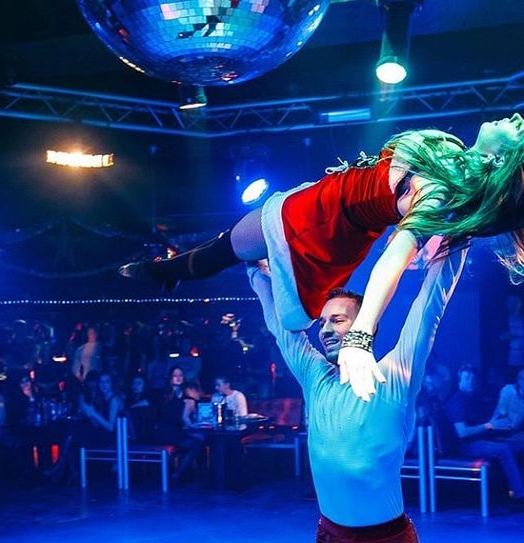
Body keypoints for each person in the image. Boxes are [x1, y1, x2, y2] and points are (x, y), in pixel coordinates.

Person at [120, 115, 524, 400]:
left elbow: (395, 257)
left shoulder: (439, 193)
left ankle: (162, 271)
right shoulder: (451, 155)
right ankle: (167, 271)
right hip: (327, 196)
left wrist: (360, 336)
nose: (516, 120)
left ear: (503, 161)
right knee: (230, 245)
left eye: (520, 134)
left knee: (229, 247)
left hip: (320, 223)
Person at [247, 240, 467, 543]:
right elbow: (279, 326)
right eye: (323, 322)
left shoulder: (395, 374)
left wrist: (456, 241)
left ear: (365, 324)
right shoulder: (316, 377)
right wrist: (255, 270)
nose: (326, 329)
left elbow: (429, 305)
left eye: (338, 319)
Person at [444, 365, 524, 504]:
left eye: (473, 379)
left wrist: (498, 423)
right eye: (467, 378)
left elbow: (489, 419)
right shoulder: (456, 402)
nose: (470, 381)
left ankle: (513, 489)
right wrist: (488, 426)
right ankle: (520, 495)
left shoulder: (475, 398)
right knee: (503, 449)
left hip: (484, 439)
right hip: (467, 445)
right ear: (459, 381)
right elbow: (462, 432)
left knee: (519, 445)